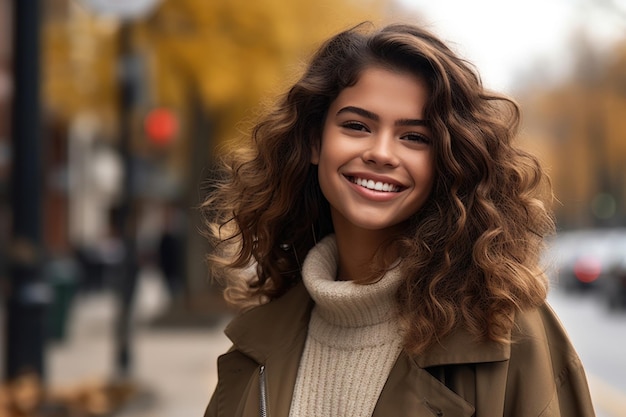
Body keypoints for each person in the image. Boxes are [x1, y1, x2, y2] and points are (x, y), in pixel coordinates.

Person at [201, 22, 596, 417]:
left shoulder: (509, 334)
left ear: (446, 162)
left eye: (414, 137)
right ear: (313, 142)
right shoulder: (254, 351)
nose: (382, 153)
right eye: (357, 126)